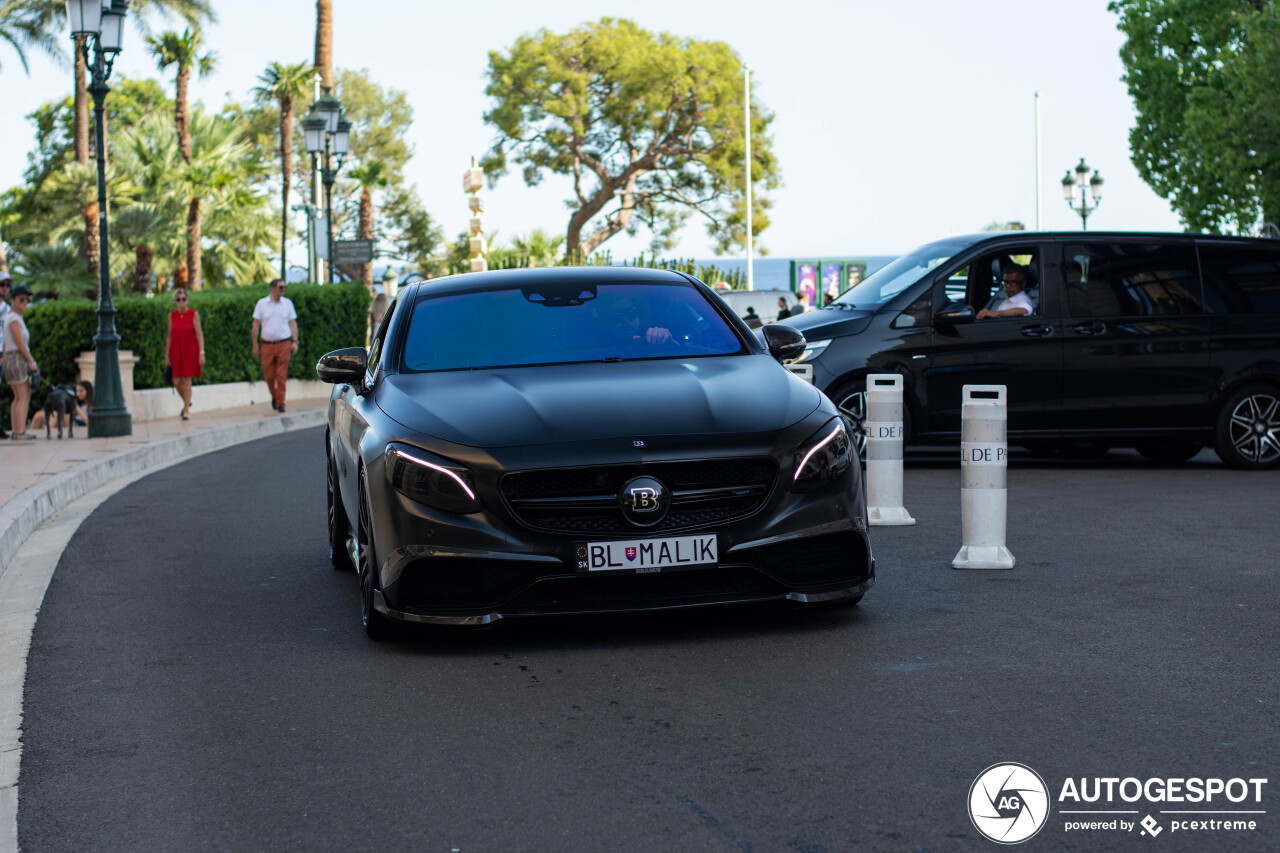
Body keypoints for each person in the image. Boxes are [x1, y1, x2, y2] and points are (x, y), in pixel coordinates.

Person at [251, 279, 298, 413]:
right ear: (272, 288)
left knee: (281, 374)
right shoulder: (262, 304)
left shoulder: (288, 304)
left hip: (284, 343)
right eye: (280, 287)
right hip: (267, 345)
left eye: (284, 287)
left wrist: (295, 341)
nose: (283, 289)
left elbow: (293, 323)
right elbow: (255, 325)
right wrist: (255, 345)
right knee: (269, 375)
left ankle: (281, 403)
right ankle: (276, 396)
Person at [3, 284, 38, 440]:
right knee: (23, 396)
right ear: (13, 300)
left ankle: (17, 430)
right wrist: (32, 361)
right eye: (21, 299)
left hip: (11, 358)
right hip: (17, 358)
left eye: (27, 299)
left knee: (18, 396)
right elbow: (20, 343)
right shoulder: (13, 319)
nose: (25, 302)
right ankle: (20, 431)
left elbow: (6, 344)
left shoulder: (12, 317)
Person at [164, 287, 205, 421]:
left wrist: (201, 352)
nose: (181, 301)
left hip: (189, 350)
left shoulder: (193, 314)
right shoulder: (172, 315)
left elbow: (199, 334)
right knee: (176, 381)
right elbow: (169, 336)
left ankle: (186, 409)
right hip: (176, 351)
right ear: (175, 301)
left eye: (183, 299)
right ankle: (187, 402)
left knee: (187, 380)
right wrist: (167, 356)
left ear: (187, 299)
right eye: (178, 299)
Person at [0, 271, 11, 438]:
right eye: (2, 285)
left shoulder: (7, 308)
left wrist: (4, 355)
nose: (5, 288)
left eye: (8, 285)